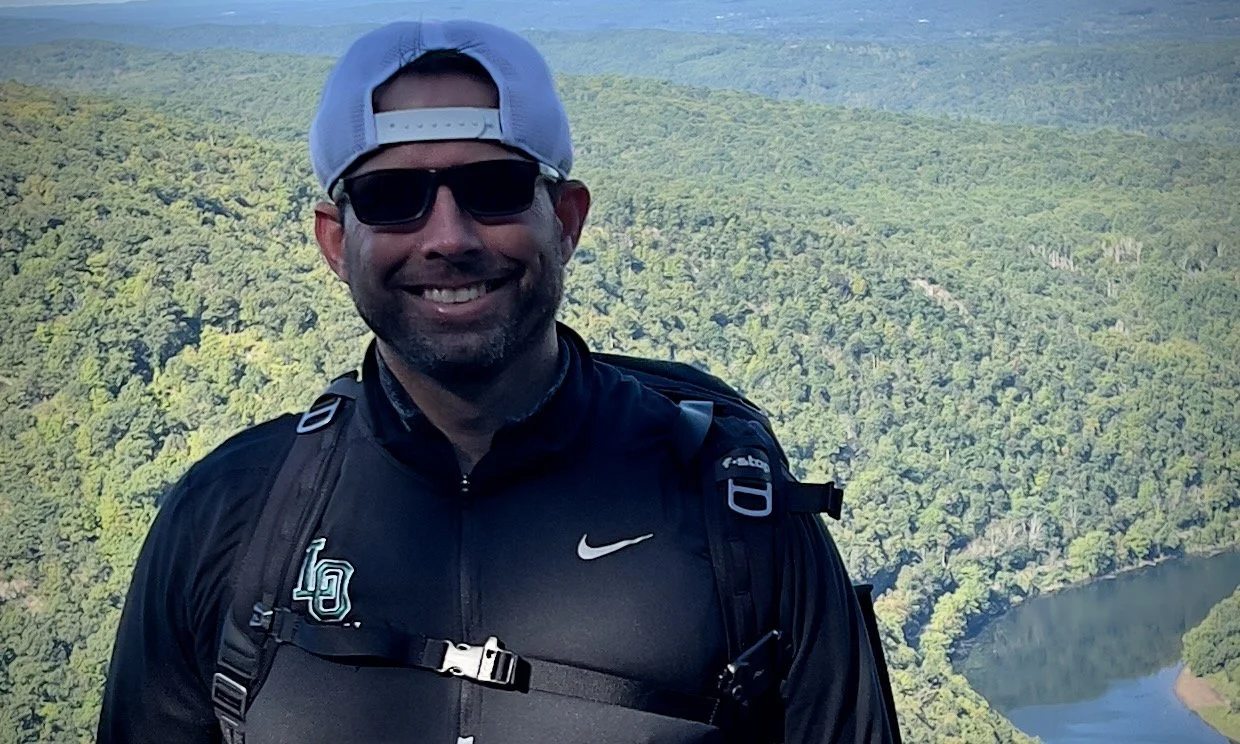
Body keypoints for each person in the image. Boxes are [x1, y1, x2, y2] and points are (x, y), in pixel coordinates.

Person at [97, 19, 894, 744]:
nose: (448, 237)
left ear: (567, 220)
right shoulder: (228, 516)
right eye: (393, 197)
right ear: (336, 243)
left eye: (494, 189)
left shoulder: (736, 510)